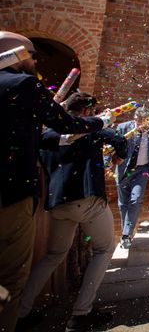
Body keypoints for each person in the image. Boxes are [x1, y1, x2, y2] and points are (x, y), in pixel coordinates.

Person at [0, 32, 107, 332]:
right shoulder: (23, 84)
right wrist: (100, 122)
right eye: (32, 55)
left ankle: (21, 313)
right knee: (9, 276)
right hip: (11, 194)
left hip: (51, 200)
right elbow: (65, 125)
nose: (35, 61)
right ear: (19, 55)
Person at [15, 92, 124, 331]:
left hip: (58, 203)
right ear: (86, 112)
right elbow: (119, 139)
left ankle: (20, 312)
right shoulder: (90, 128)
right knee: (105, 248)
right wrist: (118, 158)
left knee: (54, 256)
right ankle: (81, 313)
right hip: (87, 200)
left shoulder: (47, 135)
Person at [115, 106, 149, 248]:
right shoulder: (123, 128)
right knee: (123, 203)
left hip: (143, 170)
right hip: (124, 170)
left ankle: (126, 234)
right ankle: (126, 232)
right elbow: (111, 146)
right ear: (135, 119)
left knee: (135, 199)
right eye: (139, 122)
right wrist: (109, 163)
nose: (141, 125)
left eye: (144, 122)